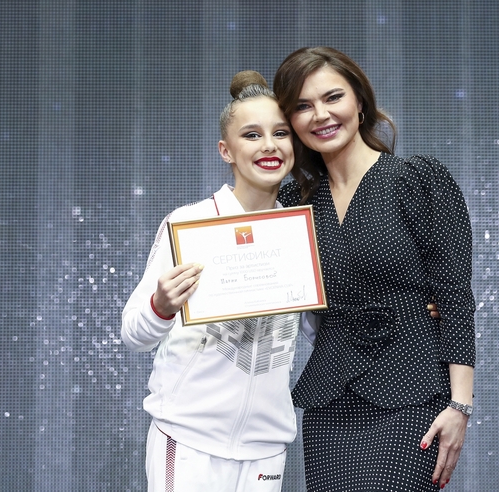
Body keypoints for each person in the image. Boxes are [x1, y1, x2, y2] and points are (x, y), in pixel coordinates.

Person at [274, 47, 476, 491]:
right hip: (330, 402)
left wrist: (460, 406)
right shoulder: (292, 205)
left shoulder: (419, 180)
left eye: (333, 97)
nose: (321, 115)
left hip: (414, 392)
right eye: (303, 106)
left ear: (359, 101)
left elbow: (456, 298)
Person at [121, 71, 301, 492]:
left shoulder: (301, 233)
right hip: (187, 438)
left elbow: (320, 326)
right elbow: (134, 333)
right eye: (252, 135)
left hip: (266, 444)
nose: (269, 146)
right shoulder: (189, 224)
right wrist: (160, 306)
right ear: (227, 150)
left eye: (281, 133)